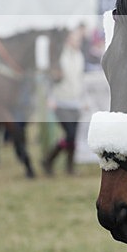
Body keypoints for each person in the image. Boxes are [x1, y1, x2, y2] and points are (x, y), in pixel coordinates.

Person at [42, 26, 86, 176]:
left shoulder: (79, 55)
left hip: (75, 102)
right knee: (70, 134)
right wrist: (50, 98)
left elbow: (80, 79)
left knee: (71, 137)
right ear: (68, 39)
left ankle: (67, 167)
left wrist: (83, 99)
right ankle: (50, 160)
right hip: (60, 102)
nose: (79, 41)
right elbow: (50, 77)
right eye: (76, 38)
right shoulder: (59, 56)